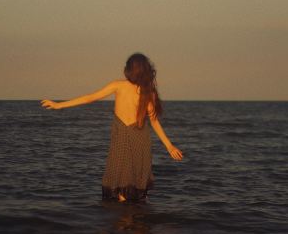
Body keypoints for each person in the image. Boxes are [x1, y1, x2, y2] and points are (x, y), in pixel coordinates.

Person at [41, 53, 183, 203]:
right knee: (134, 183)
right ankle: (133, 219)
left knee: (119, 180)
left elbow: (90, 97)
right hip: (140, 139)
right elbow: (154, 122)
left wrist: (59, 105)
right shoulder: (148, 91)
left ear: (130, 70)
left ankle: (123, 218)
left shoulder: (119, 85)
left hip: (125, 137)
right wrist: (169, 146)